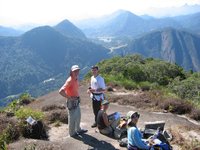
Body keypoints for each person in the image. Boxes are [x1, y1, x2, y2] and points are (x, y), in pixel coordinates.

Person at [59, 65, 87, 137]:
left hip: (76, 100)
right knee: (72, 118)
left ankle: (78, 129)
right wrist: (69, 98)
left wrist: (78, 97)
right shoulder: (70, 80)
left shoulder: (76, 78)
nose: (76, 72)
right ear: (71, 71)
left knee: (78, 116)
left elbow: (75, 89)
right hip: (71, 102)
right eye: (75, 71)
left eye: (77, 70)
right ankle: (72, 133)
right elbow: (61, 91)